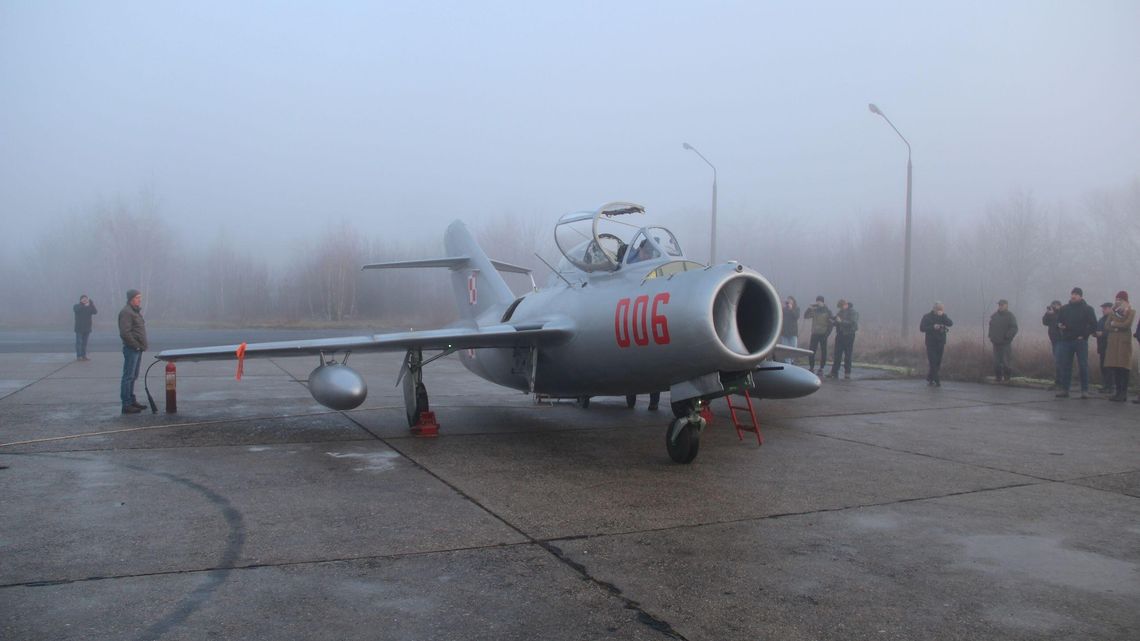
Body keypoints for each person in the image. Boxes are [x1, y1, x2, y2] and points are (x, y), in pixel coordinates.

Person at [1053, 287, 1097, 399]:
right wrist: (1059, 325)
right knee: (1066, 366)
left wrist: (1084, 335)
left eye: (1076, 294)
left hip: (1080, 341)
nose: (1073, 296)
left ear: (1081, 296)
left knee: (1083, 366)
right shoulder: (1064, 309)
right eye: (1072, 294)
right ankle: (1065, 389)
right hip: (1066, 341)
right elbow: (1057, 322)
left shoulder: (1088, 309)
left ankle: (1085, 390)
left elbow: (1093, 325)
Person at [118, 289, 148, 414]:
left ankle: (131, 400)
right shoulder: (126, 312)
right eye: (137, 297)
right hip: (132, 349)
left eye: (140, 297)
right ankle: (126, 404)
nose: (139, 300)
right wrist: (136, 345)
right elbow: (125, 333)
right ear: (131, 299)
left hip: (137, 349)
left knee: (133, 376)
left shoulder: (135, 311)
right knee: (128, 377)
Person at [1103, 292, 1134, 402]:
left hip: (1124, 344)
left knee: (1123, 369)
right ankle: (1117, 392)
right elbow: (1107, 325)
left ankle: (1123, 393)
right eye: (1116, 299)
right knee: (1115, 368)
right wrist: (1115, 327)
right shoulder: (1113, 311)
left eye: (1120, 299)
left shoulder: (1131, 311)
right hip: (1113, 343)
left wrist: (1114, 324)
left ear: (1125, 300)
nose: (1117, 301)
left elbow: (1127, 324)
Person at [920, 302, 953, 386]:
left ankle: (930, 377)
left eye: (941, 309)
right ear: (934, 309)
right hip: (931, 342)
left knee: (938, 362)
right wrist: (933, 327)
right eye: (938, 309)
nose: (940, 311)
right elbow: (922, 328)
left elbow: (950, 323)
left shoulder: (943, 317)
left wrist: (943, 316)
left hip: (941, 342)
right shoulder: (927, 317)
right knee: (933, 361)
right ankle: (937, 380)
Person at [988, 299, 1018, 382]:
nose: (1000, 306)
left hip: (1005, 343)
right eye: (999, 305)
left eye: (1002, 305)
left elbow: (1014, 328)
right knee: (996, 362)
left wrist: (1007, 336)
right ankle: (998, 378)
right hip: (995, 342)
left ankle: (1007, 378)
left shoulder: (1010, 316)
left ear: (1006, 305)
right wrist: (990, 336)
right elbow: (991, 326)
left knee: (1006, 362)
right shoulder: (994, 316)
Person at [827, 300, 858, 380]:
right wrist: (833, 322)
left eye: (841, 306)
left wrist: (841, 321)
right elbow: (837, 323)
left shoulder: (853, 312)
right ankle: (834, 372)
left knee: (848, 354)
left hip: (849, 335)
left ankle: (847, 373)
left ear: (846, 304)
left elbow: (852, 323)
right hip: (840, 335)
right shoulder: (840, 312)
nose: (841, 308)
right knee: (837, 354)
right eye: (840, 307)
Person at [803, 296, 832, 374]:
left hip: (823, 334)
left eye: (819, 301)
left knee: (823, 351)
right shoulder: (814, 310)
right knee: (812, 350)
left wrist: (827, 334)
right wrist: (809, 308)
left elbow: (831, 324)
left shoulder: (828, 311)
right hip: (815, 333)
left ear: (823, 302)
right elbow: (805, 316)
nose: (818, 303)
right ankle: (811, 367)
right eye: (817, 301)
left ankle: (821, 368)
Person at [1042, 300, 1063, 389]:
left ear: (1059, 306)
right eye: (1052, 305)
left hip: (1061, 340)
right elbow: (1045, 322)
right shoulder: (1051, 314)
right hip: (1054, 340)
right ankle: (1059, 381)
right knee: (1057, 361)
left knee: (1059, 361)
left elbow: (1058, 322)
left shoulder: (1062, 313)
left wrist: (1053, 314)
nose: (1053, 307)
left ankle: (1060, 382)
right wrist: (1047, 313)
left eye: (1055, 305)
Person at [1095, 302, 1115, 393]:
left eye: (1105, 308)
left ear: (1111, 308)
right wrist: (1095, 333)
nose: (1103, 310)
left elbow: (1114, 332)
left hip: (1110, 347)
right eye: (1103, 308)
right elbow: (1097, 329)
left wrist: (1103, 334)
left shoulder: (1114, 319)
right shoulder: (1101, 320)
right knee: (1103, 367)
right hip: (1102, 346)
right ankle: (1105, 385)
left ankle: (1110, 387)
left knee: (1109, 367)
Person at [72, 294, 97, 361]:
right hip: (79, 328)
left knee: (84, 343)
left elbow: (95, 312)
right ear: (80, 300)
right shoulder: (77, 306)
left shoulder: (89, 307)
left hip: (87, 328)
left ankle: (84, 356)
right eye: (83, 299)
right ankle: (79, 356)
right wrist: (83, 305)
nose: (85, 300)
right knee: (79, 343)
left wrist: (91, 304)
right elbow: (76, 310)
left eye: (86, 299)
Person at [779, 296, 800, 364]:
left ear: (793, 302)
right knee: (785, 349)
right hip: (784, 333)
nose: (789, 302)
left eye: (790, 300)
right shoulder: (783, 309)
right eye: (788, 301)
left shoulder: (796, 309)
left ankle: (792, 361)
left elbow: (796, 316)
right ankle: (787, 363)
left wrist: (791, 309)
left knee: (793, 349)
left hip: (793, 333)